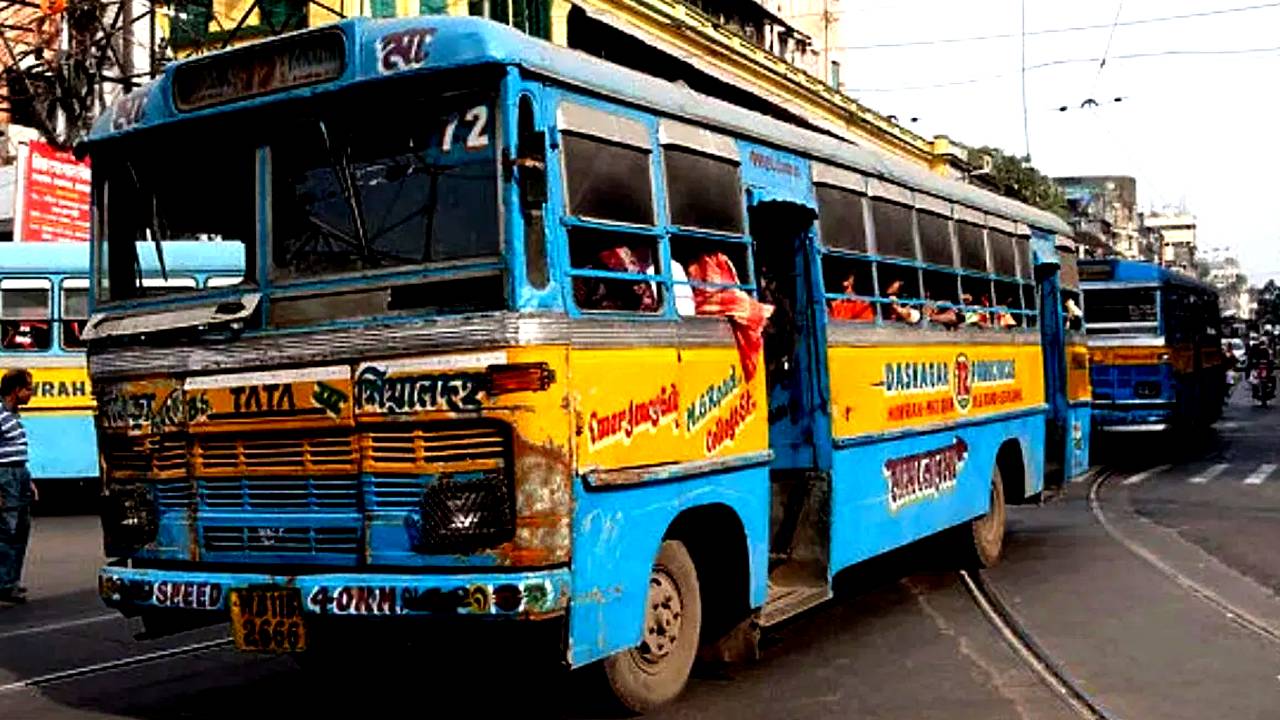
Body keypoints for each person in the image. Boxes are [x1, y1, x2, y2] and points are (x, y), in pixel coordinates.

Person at [0, 369, 36, 605]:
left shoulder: (14, 415)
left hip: (19, 474)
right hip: (6, 476)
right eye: (28, 388)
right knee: (7, 530)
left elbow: (17, 452)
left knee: (21, 529)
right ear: (16, 390)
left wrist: (29, 480)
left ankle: (11, 582)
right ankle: (3, 584)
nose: (31, 393)